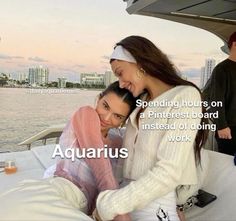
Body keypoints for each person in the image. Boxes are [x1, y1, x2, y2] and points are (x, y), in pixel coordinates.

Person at [96, 36, 209, 221]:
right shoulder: (142, 103)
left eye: (120, 73)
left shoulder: (185, 97)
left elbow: (169, 171)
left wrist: (111, 204)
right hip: (124, 201)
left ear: (139, 62)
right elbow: (136, 146)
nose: (121, 83)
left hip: (153, 205)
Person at [0, 81, 137, 221]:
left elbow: (116, 178)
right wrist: (119, 211)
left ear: (124, 121)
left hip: (83, 208)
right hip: (61, 190)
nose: (107, 118)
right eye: (105, 106)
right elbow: (102, 169)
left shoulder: (118, 142)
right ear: (99, 99)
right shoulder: (86, 114)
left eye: (118, 116)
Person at [207, 32, 236, 155]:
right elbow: (216, 100)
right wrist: (222, 126)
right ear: (234, 45)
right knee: (229, 169)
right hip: (229, 130)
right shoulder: (221, 69)